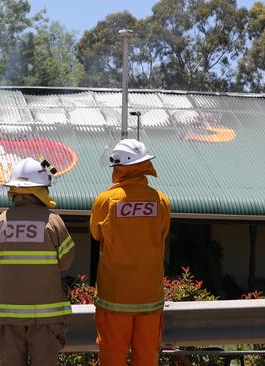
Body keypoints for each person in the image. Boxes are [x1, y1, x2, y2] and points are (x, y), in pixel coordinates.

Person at [0, 157, 76, 366]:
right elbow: (66, 262)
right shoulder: (53, 221)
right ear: (42, 189)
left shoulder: (1, 222)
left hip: (9, 316)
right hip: (47, 318)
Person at [90, 139, 172, 366]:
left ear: (117, 167)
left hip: (114, 296)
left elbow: (96, 235)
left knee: (112, 356)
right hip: (150, 296)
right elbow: (162, 234)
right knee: (146, 357)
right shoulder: (161, 200)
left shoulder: (105, 200)